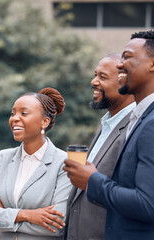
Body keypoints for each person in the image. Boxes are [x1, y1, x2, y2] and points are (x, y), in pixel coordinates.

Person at [64, 30, 154, 239]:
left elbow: (148, 204)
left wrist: (92, 181)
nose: (121, 65)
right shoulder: (139, 119)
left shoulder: (150, 123)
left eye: (128, 57)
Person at [0, 88, 72, 240]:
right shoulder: (1, 158)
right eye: (12, 114)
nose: (14, 119)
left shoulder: (64, 163)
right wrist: (26, 215)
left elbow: (56, 225)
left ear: (45, 122)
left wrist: (3, 213)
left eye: (23, 113)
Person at [64, 53, 135, 240]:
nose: (93, 82)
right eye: (95, 75)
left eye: (102, 77)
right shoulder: (107, 125)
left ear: (126, 84)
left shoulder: (134, 130)